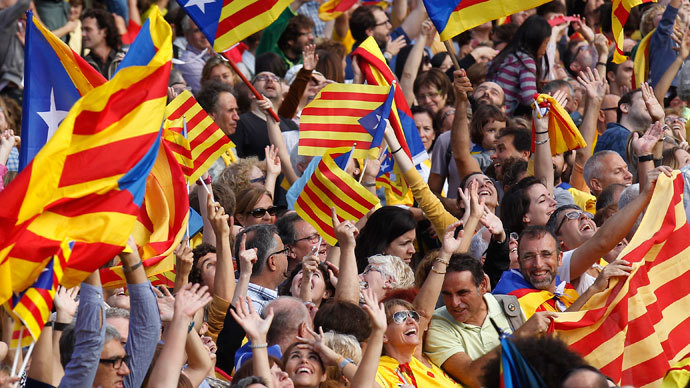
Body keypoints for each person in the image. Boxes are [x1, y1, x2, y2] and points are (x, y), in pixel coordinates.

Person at [424, 255, 555, 388]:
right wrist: (517, 337)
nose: (454, 303)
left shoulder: (509, 306)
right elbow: (474, 377)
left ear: (483, 285)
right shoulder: (437, 324)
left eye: (462, 293)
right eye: (446, 294)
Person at [493, 225, 633, 318]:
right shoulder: (508, 295)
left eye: (546, 254)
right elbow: (558, 334)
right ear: (519, 260)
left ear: (560, 258)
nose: (538, 264)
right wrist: (594, 289)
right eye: (528, 257)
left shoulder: (565, 289)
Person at [487, 15, 552, 114]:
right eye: (546, 43)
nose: (546, 48)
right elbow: (529, 99)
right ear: (536, 41)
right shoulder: (526, 60)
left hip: (486, 109)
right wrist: (547, 99)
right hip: (500, 114)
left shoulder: (506, 54)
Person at [593, 84, 664, 163]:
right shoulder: (617, 134)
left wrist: (660, 119)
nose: (650, 104)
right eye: (644, 98)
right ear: (625, 108)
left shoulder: (627, 136)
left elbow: (652, 173)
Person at [235, 224, 289, 314]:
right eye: (284, 251)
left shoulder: (230, 292)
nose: (287, 256)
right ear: (272, 262)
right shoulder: (256, 311)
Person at [355, 206, 417, 271]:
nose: (412, 250)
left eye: (413, 242)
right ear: (382, 245)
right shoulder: (369, 278)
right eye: (404, 244)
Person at [81, 8, 123, 79]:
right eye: (82, 30)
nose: (83, 34)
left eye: (88, 29)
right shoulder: (83, 65)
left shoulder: (123, 59)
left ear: (104, 32)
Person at [176, 16, 213, 94]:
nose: (204, 34)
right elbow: (209, 92)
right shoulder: (187, 62)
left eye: (206, 27)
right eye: (197, 30)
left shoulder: (217, 51)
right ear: (186, 34)